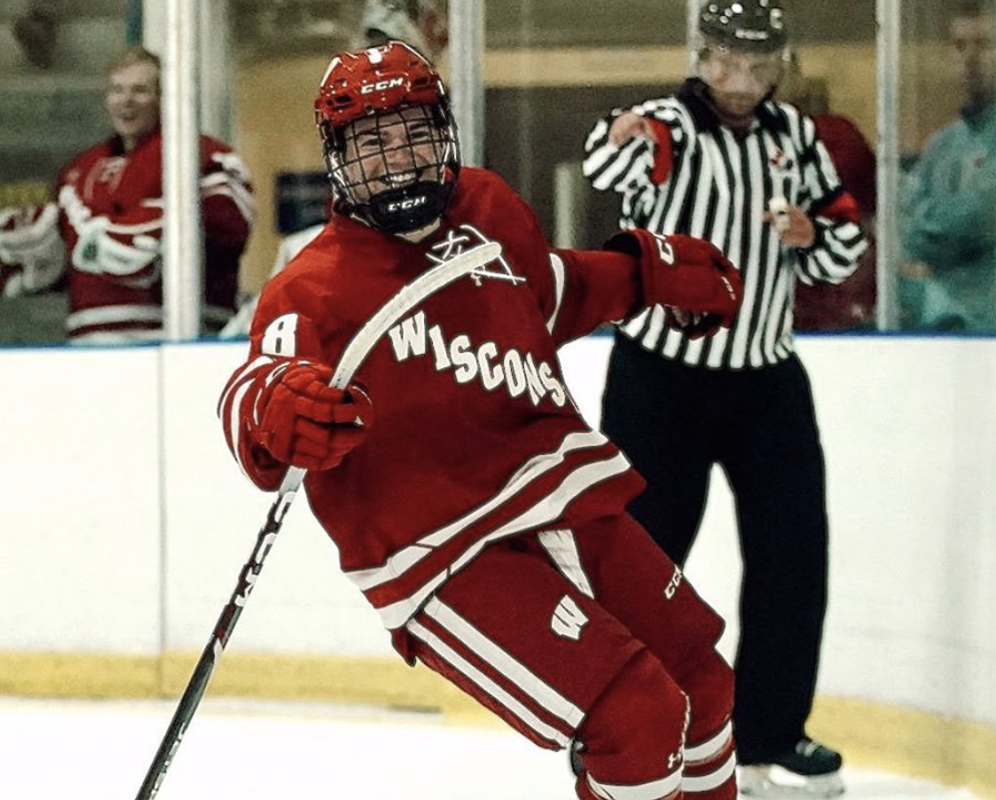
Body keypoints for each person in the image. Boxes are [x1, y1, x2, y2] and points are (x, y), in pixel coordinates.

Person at [220, 41, 744, 800]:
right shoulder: (312, 287)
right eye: (371, 143)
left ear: (445, 132)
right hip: (440, 550)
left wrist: (642, 276)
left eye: (413, 134)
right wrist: (275, 411)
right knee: (637, 714)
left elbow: (544, 295)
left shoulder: (487, 205)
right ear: (337, 157)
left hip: (556, 494)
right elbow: (261, 379)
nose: (397, 160)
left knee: (703, 682)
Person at [582, 2, 867, 796]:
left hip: (767, 381)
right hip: (660, 377)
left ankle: (772, 731)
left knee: (791, 555)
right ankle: (623, 722)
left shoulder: (795, 139)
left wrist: (810, 233)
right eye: (726, 63)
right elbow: (606, 167)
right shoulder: (663, 127)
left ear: (778, 66)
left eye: (757, 66)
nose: (740, 82)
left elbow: (844, 242)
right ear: (701, 55)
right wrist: (620, 135)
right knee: (642, 554)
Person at [0, 46, 254, 343]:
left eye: (140, 90)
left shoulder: (203, 154)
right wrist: (32, 252)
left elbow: (230, 226)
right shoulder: (79, 170)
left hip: (176, 339)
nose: (126, 100)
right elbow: (78, 263)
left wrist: (147, 230)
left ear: (164, 98)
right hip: (88, 343)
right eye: (117, 90)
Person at [898, 0, 996, 331]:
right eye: (960, 45)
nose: (969, 58)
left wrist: (933, 225)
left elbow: (980, 217)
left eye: (984, 45)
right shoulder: (942, 145)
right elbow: (907, 229)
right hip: (942, 330)